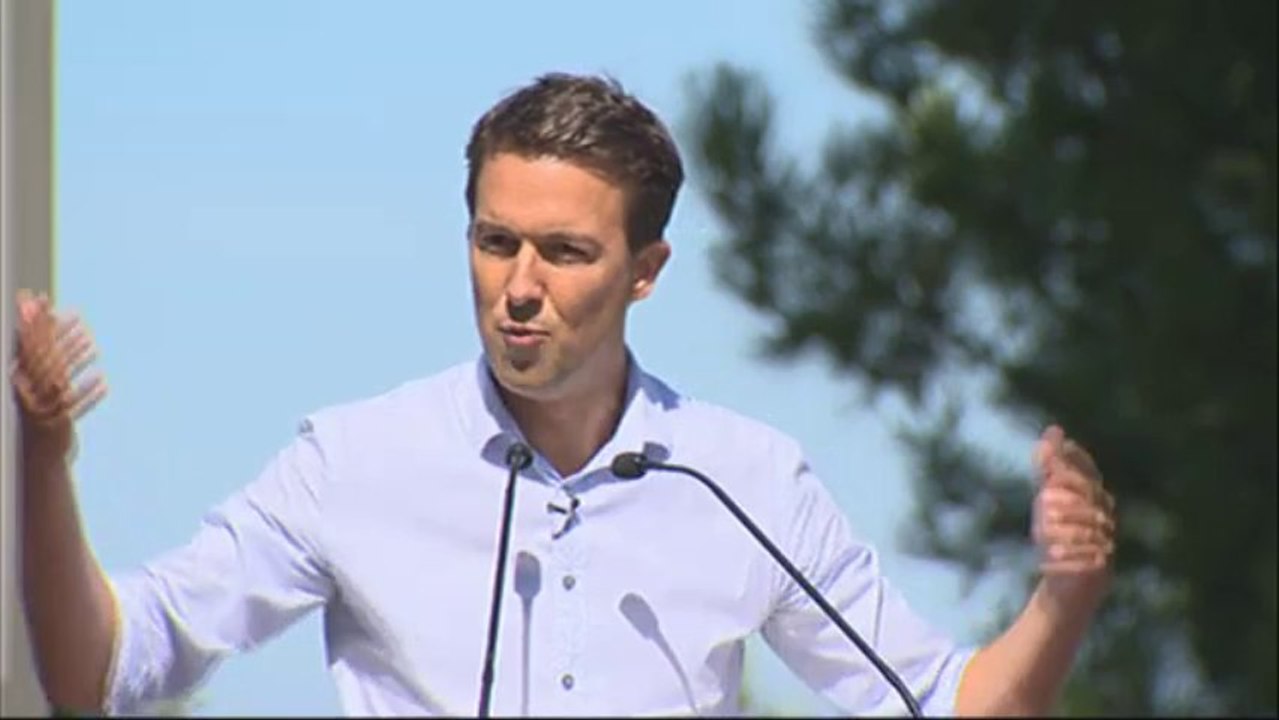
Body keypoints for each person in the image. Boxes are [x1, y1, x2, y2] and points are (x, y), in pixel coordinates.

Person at [11, 73, 1117, 717]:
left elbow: (943, 705)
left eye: (564, 252)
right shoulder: (351, 463)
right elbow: (100, 671)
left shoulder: (744, 479)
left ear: (646, 270)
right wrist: (42, 461)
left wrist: (1064, 597)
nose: (520, 288)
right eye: (496, 244)